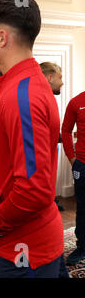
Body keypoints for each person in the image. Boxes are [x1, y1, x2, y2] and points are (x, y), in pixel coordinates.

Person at [0, 0, 65, 278]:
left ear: (2, 38)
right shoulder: (19, 86)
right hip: (22, 241)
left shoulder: (22, 94)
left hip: (25, 248)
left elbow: (33, 190)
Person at [61, 91, 85, 265]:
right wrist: (72, 158)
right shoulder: (76, 102)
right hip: (82, 164)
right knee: (83, 208)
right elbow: (66, 130)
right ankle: (82, 247)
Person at [40, 62, 65, 211]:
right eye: (60, 77)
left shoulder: (48, 98)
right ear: (50, 77)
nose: (62, 82)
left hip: (51, 152)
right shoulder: (41, 99)